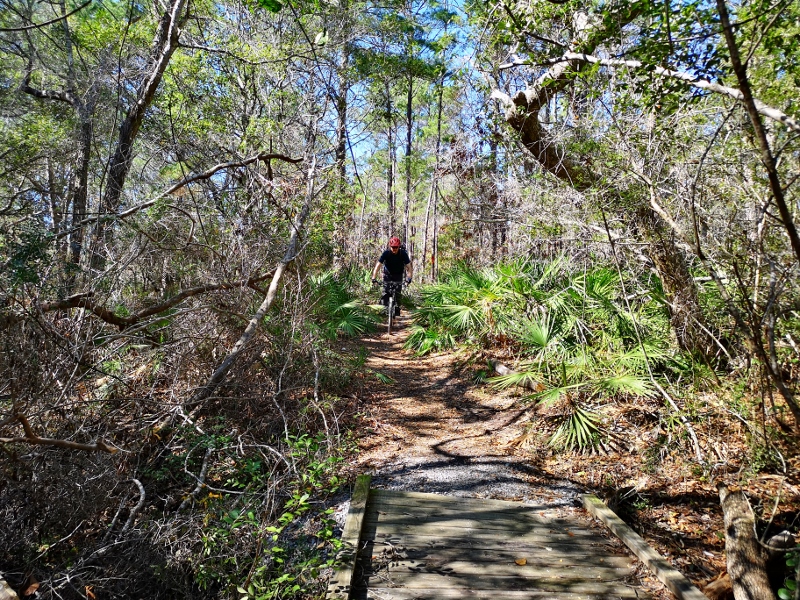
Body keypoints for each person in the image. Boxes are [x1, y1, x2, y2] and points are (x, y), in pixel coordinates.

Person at [371, 236, 413, 316]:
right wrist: (373, 277)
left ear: (399, 247)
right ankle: (383, 310)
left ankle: (397, 309)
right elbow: (378, 265)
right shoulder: (386, 253)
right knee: (385, 293)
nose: (394, 249)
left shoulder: (403, 254)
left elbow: (409, 267)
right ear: (390, 246)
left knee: (398, 294)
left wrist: (409, 278)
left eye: (396, 247)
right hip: (387, 275)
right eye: (393, 247)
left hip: (398, 275)